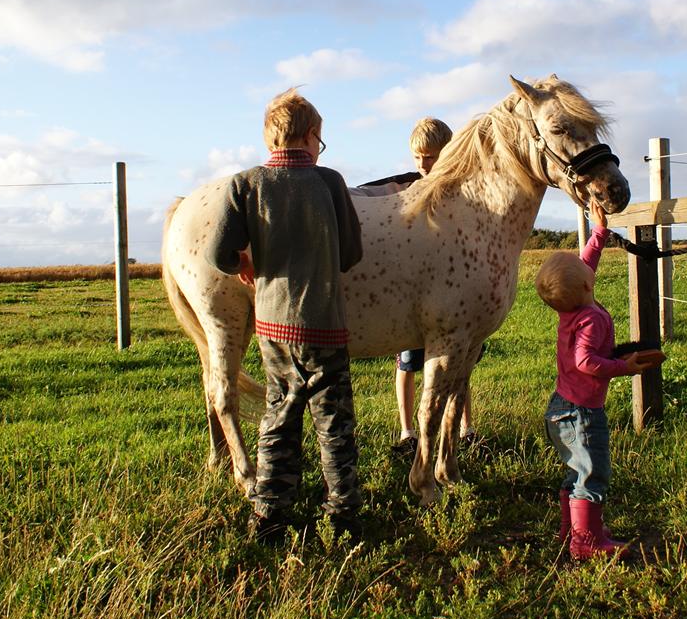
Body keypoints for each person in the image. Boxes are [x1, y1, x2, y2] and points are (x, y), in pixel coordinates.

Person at [206, 87, 364, 546]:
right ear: (313, 136)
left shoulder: (246, 184)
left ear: (270, 138)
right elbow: (351, 254)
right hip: (324, 326)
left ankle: (271, 515)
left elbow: (220, 252)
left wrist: (247, 265)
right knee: (334, 424)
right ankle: (343, 516)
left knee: (279, 415)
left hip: (273, 327)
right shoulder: (330, 183)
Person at [534, 199, 665, 560]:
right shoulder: (590, 319)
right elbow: (586, 361)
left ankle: (573, 530)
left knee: (575, 471)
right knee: (593, 473)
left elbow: (585, 264)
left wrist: (600, 231)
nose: (587, 265)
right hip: (581, 414)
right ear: (587, 286)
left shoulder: (572, 307)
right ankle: (586, 542)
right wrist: (627, 367)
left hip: (560, 408)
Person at [354, 117, 482, 456]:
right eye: (417, 157)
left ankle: (467, 428)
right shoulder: (408, 187)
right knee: (408, 364)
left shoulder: (466, 189)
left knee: (458, 364)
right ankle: (407, 431)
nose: (423, 165)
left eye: (430, 157)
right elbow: (368, 194)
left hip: (453, 291)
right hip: (415, 291)